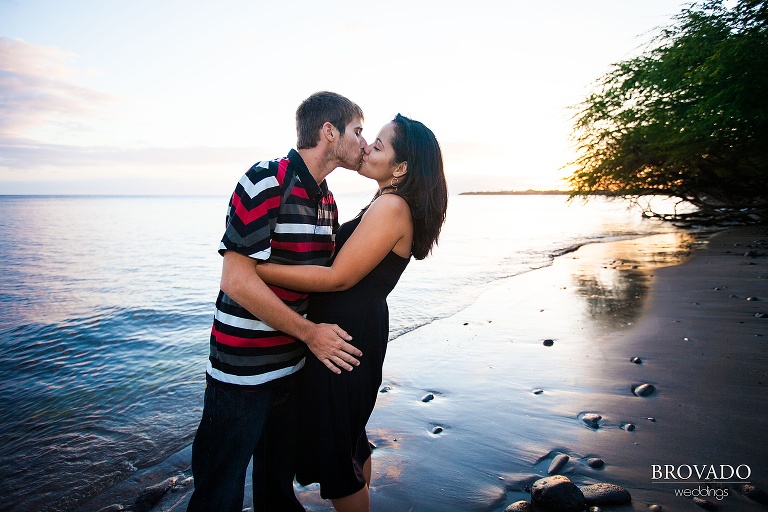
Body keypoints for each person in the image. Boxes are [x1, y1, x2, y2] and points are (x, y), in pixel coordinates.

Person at [254, 114, 448, 511]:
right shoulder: (387, 201)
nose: (366, 148)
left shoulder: (392, 206)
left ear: (402, 167)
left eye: (378, 144)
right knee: (349, 440)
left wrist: (256, 269)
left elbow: (339, 277)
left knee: (338, 454)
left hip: (346, 337)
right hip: (355, 332)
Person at [186, 91, 368, 512]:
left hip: (292, 372)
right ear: (328, 131)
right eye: (357, 131)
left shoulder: (327, 200)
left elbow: (324, 281)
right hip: (240, 376)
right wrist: (311, 334)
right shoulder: (266, 178)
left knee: (277, 490)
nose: (363, 142)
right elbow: (236, 281)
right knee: (218, 494)